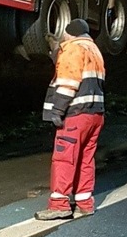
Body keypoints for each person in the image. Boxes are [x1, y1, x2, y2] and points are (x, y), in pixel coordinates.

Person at [36, 18, 105, 221]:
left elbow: (69, 82)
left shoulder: (73, 49)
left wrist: (57, 110)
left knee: (64, 158)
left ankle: (59, 206)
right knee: (85, 159)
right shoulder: (94, 50)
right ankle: (85, 204)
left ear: (70, 33)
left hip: (75, 115)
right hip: (95, 114)